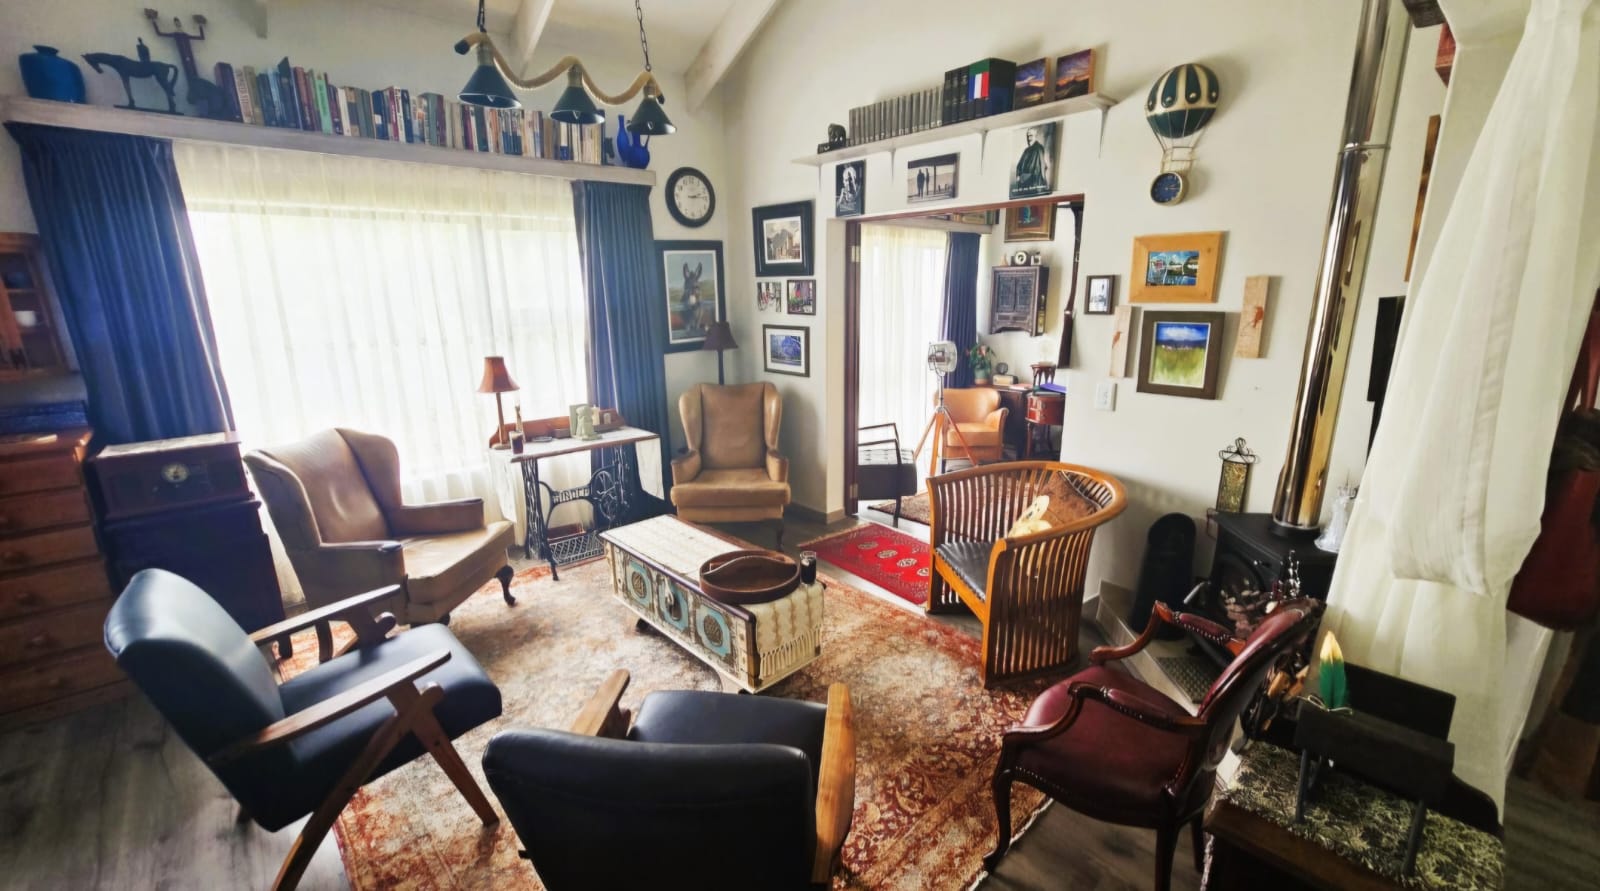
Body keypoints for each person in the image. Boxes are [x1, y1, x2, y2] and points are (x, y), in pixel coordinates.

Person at [1014, 128, 1050, 195]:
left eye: (1031, 136)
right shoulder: (1026, 150)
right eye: (1027, 136)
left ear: (1035, 136)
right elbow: (1019, 165)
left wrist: (1021, 177)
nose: (1028, 138)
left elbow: (1035, 169)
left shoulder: (1038, 149)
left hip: (1033, 185)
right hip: (1025, 184)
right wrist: (1018, 175)